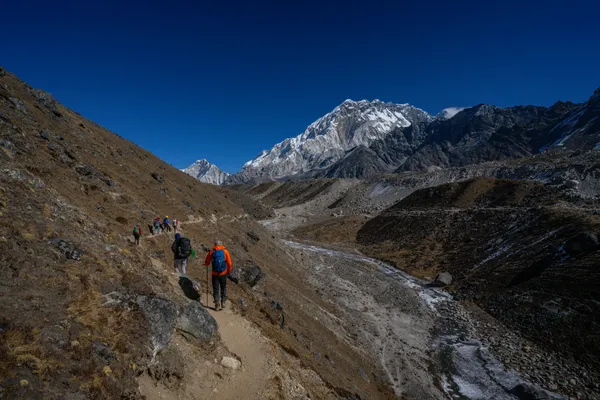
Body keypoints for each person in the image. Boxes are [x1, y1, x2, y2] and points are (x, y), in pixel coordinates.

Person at [204, 240, 232, 311]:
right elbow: (229, 263)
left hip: (215, 274)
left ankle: (217, 304)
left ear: (215, 245)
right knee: (223, 287)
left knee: (216, 288)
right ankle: (223, 302)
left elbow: (207, 261)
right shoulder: (225, 251)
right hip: (223, 273)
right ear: (221, 244)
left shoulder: (212, 251)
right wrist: (228, 271)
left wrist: (207, 264)